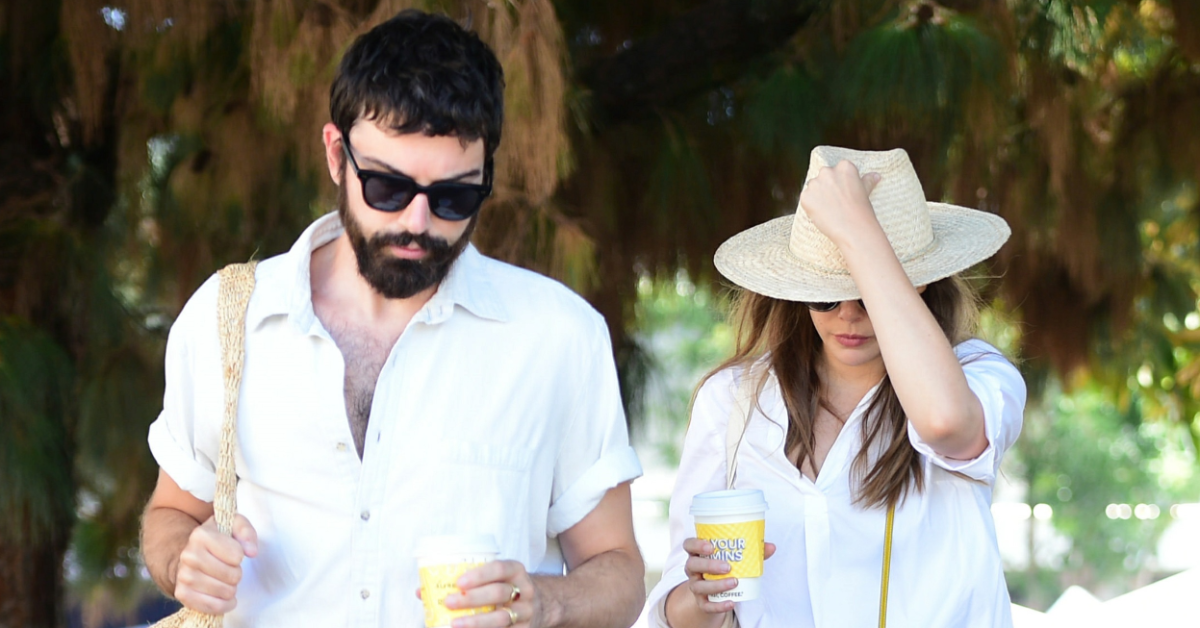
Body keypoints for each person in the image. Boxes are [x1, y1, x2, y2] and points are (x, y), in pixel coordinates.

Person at [140, 10, 644, 628]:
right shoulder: (227, 317)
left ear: (487, 173)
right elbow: (171, 513)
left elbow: (618, 567)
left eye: (455, 196)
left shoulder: (561, 336)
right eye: (386, 188)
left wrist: (546, 602)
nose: (418, 222)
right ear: (336, 156)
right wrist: (183, 560)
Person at [641, 146, 1026, 627]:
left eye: (867, 292)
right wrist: (701, 599)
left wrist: (857, 234)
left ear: (919, 284)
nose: (848, 314)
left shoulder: (978, 374)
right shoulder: (734, 398)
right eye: (825, 293)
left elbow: (947, 424)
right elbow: (675, 606)